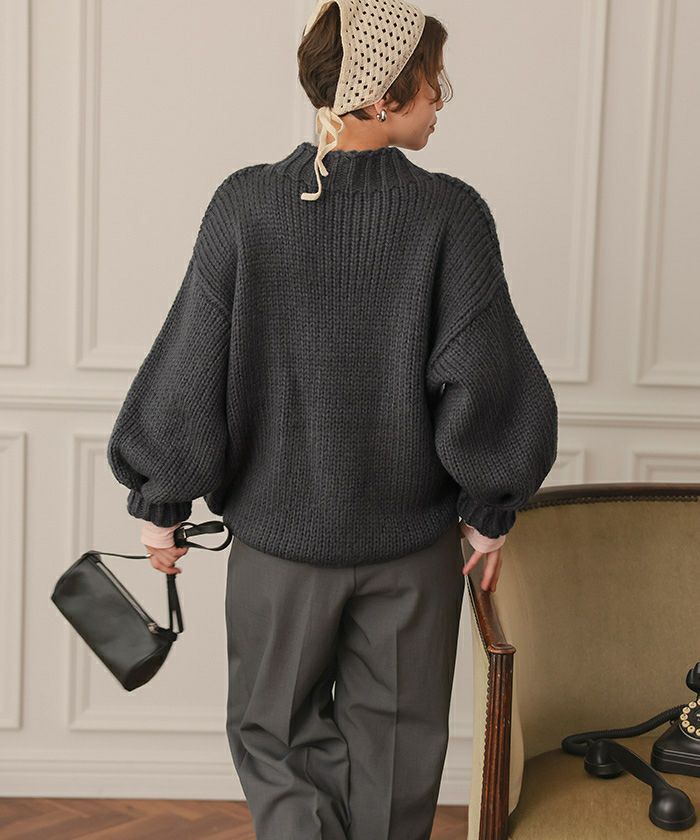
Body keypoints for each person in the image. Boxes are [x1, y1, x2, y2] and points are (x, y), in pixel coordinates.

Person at [106, 1, 558, 837]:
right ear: (382, 93)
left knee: (276, 741)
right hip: (411, 555)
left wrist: (161, 504)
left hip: (279, 553)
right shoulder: (450, 215)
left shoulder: (245, 205)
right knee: (399, 753)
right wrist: (489, 511)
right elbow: (485, 379)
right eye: (432, 79)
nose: (442, 97)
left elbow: (192, 362)